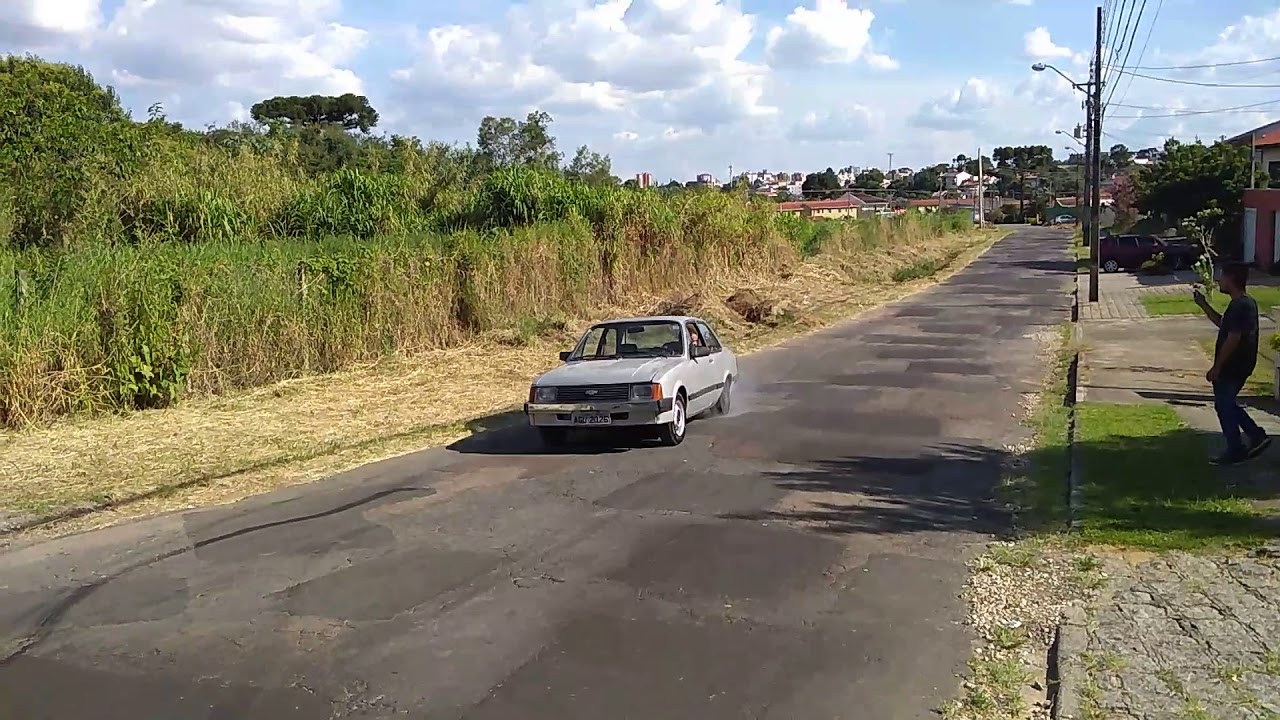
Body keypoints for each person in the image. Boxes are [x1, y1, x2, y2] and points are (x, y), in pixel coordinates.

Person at [1194, 262, 1271, 465]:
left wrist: (1217, 366)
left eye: (1223, 276)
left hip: (1234, 365)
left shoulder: (1243, 305)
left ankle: (1238, 447)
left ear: (1232, 279)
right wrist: (1203, 305)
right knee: (1225, 404)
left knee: (1225, 404)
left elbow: (1233, 338)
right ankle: (1254, 436)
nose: (1220, 280)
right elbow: (1223, 324)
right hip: (1237, 364)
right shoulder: (1239, 304)